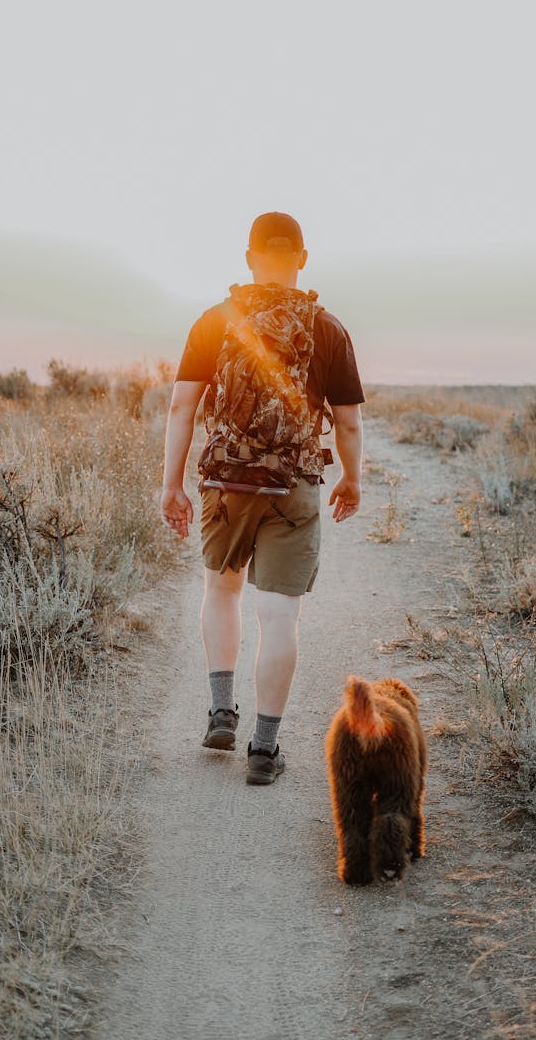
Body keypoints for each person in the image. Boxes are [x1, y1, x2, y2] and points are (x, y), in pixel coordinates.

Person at [160, 212, 365, 784]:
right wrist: (351, 479)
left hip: (226, 481)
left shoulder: (214, 321)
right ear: (302, 257)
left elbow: (181, 407)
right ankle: (263, 749)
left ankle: (221, 711)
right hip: (293, 484)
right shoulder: (328, 328)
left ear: (249, 257)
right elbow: (346, 424)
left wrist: (171, 484)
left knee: (221, 589)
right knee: (279, 615)